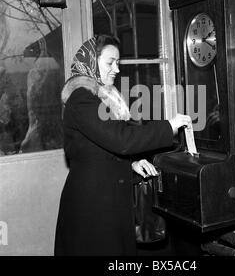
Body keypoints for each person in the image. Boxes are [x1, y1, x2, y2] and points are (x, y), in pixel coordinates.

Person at [54, 34, 191, 256]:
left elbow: (100, 148)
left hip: (106, 202)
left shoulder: (99, 99)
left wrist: (131, 165)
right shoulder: (81, 99)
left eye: (118, 62)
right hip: (92, 207)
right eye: (110, 62)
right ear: (91, 61)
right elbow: (122, 140)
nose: (116, 69)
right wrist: (169, 126)